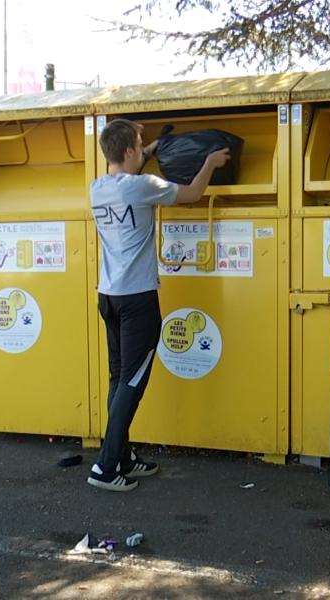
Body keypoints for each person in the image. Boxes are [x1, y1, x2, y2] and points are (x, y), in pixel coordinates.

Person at [87, 118, 230, 492]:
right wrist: (210, 163)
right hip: (138, 300)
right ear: (129, 151)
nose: (143, 149)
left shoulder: (97, 188)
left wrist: (149, 147)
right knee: (132, 382)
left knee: (119, 379)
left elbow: (130, 165)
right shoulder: (143, 186)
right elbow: (193, 193)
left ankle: (122, 456)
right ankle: (105, 467)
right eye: (140, 145)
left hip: (109, 296)